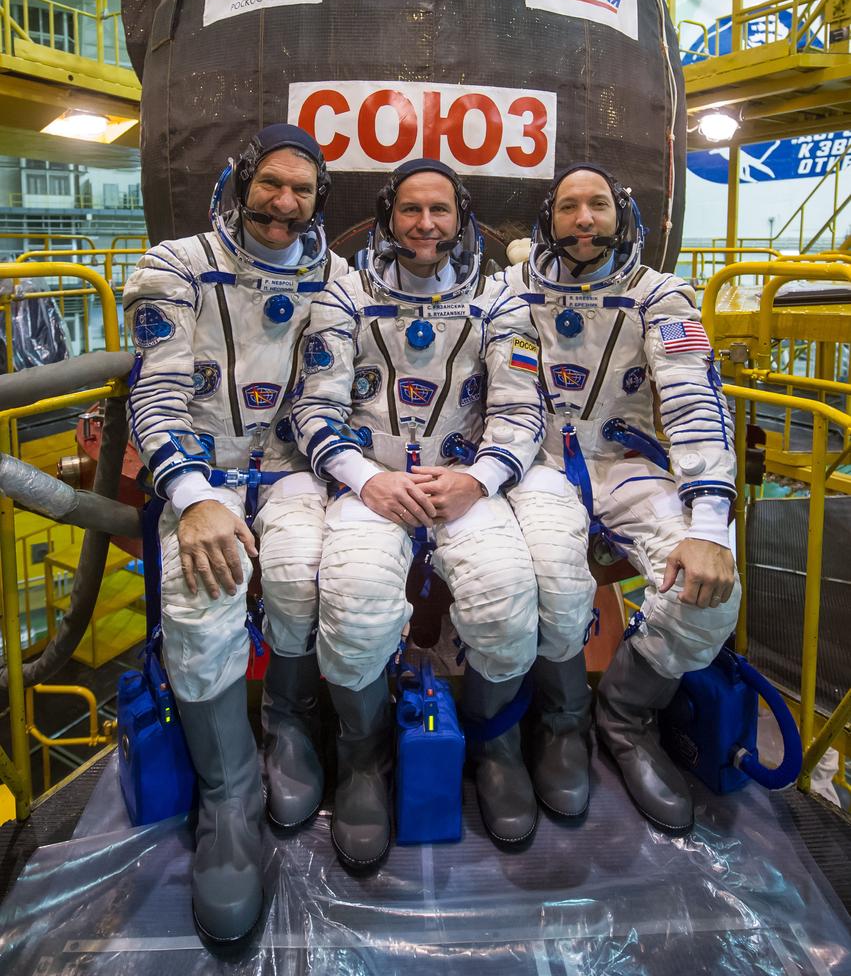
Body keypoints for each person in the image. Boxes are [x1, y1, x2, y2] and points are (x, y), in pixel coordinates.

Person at [123, 124, 347, 942]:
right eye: (272, 186)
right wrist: (191, 494)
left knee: (302, 574)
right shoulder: (174, 265)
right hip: (201, 468)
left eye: (302, 192)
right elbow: (155, 396)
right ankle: (229, 795)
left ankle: (289, 733)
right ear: (241, 181)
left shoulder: (335, 278)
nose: (284, 205)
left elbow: (324, 397)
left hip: (289, 467)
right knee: (197, 602)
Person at [291, 158, 545, 866]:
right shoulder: (343, 299)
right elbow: (314, 407)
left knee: (504, 599)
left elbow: (521, 414)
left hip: (461, 484)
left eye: (439, 210)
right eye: (410, 210)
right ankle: (363, 758)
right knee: (352, 601)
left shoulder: (500, 304)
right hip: (372, 486)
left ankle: (494, 748)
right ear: (386, 216)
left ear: (461, 217)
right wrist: (364, 479)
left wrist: (478, 479)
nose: (425, 225)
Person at [502, 164, 740, 834]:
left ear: (618, 213)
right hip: (540, 465)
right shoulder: (509, 292)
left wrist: (710, 526)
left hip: (626, 467)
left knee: (708, 596)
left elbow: (695, 402)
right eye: (570, 206)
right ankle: (562, 725)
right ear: (548, 218)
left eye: (598, 204)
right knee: (552, 578)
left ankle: (627, 719)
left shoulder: (659, 296)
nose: (584, 219)